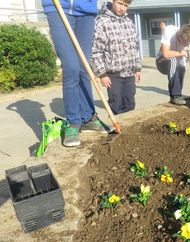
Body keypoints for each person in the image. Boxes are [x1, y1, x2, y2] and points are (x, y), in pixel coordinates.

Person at [41, 0, 108, 147]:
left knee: (84, 67)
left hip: (86, 9)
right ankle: (73, 122)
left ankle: (88, 118)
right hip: (58, 7)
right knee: (71, 68)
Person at [90, 0, 142, 115]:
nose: (122, 8)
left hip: (129, 74)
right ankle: (118, 131)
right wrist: (102, 73)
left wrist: (137, 68)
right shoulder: (101, 22)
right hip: (113, 75)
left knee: (130, 105)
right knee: (116, 105)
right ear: (113, 1)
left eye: (126, 5)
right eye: (120, 3)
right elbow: (95, 51)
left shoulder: (129, 23)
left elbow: (135, 47)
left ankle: (129, 131)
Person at [156, 24, 190, 105]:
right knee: (174, 60)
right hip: (161, 61)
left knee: (182, 66)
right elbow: (165, 54)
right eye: (185, 43)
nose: (187, 46)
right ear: (180, 35)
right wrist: (182, 53)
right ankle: (175, 95)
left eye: (188, 44)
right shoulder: (169, 31)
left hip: (175, 63)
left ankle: (178, 95)